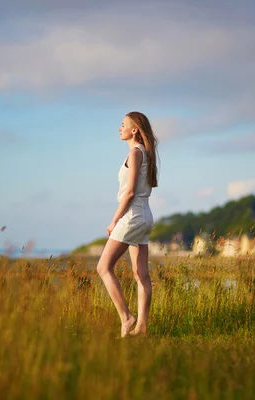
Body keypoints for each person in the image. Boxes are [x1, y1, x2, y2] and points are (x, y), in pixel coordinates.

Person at [96, 111, 159, 337]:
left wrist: (114, 220)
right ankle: (142, 327)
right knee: (141, 274)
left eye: (123, 125)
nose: (119, 128)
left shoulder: (134, 153)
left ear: (134, 130)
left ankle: (127, 317)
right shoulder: (146, 154)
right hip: (145, 215)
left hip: (132, 215)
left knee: (103, 267)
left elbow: (130, 191)